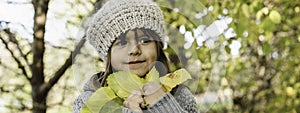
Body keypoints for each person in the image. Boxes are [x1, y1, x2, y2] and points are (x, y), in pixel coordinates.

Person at [73, 0, 199, 112]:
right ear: (108, 55)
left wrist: (165, 105)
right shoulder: (88, 102)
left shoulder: (181, 96)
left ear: (158, 47)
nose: (134, 50)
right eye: (121, 42)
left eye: (145, 41)